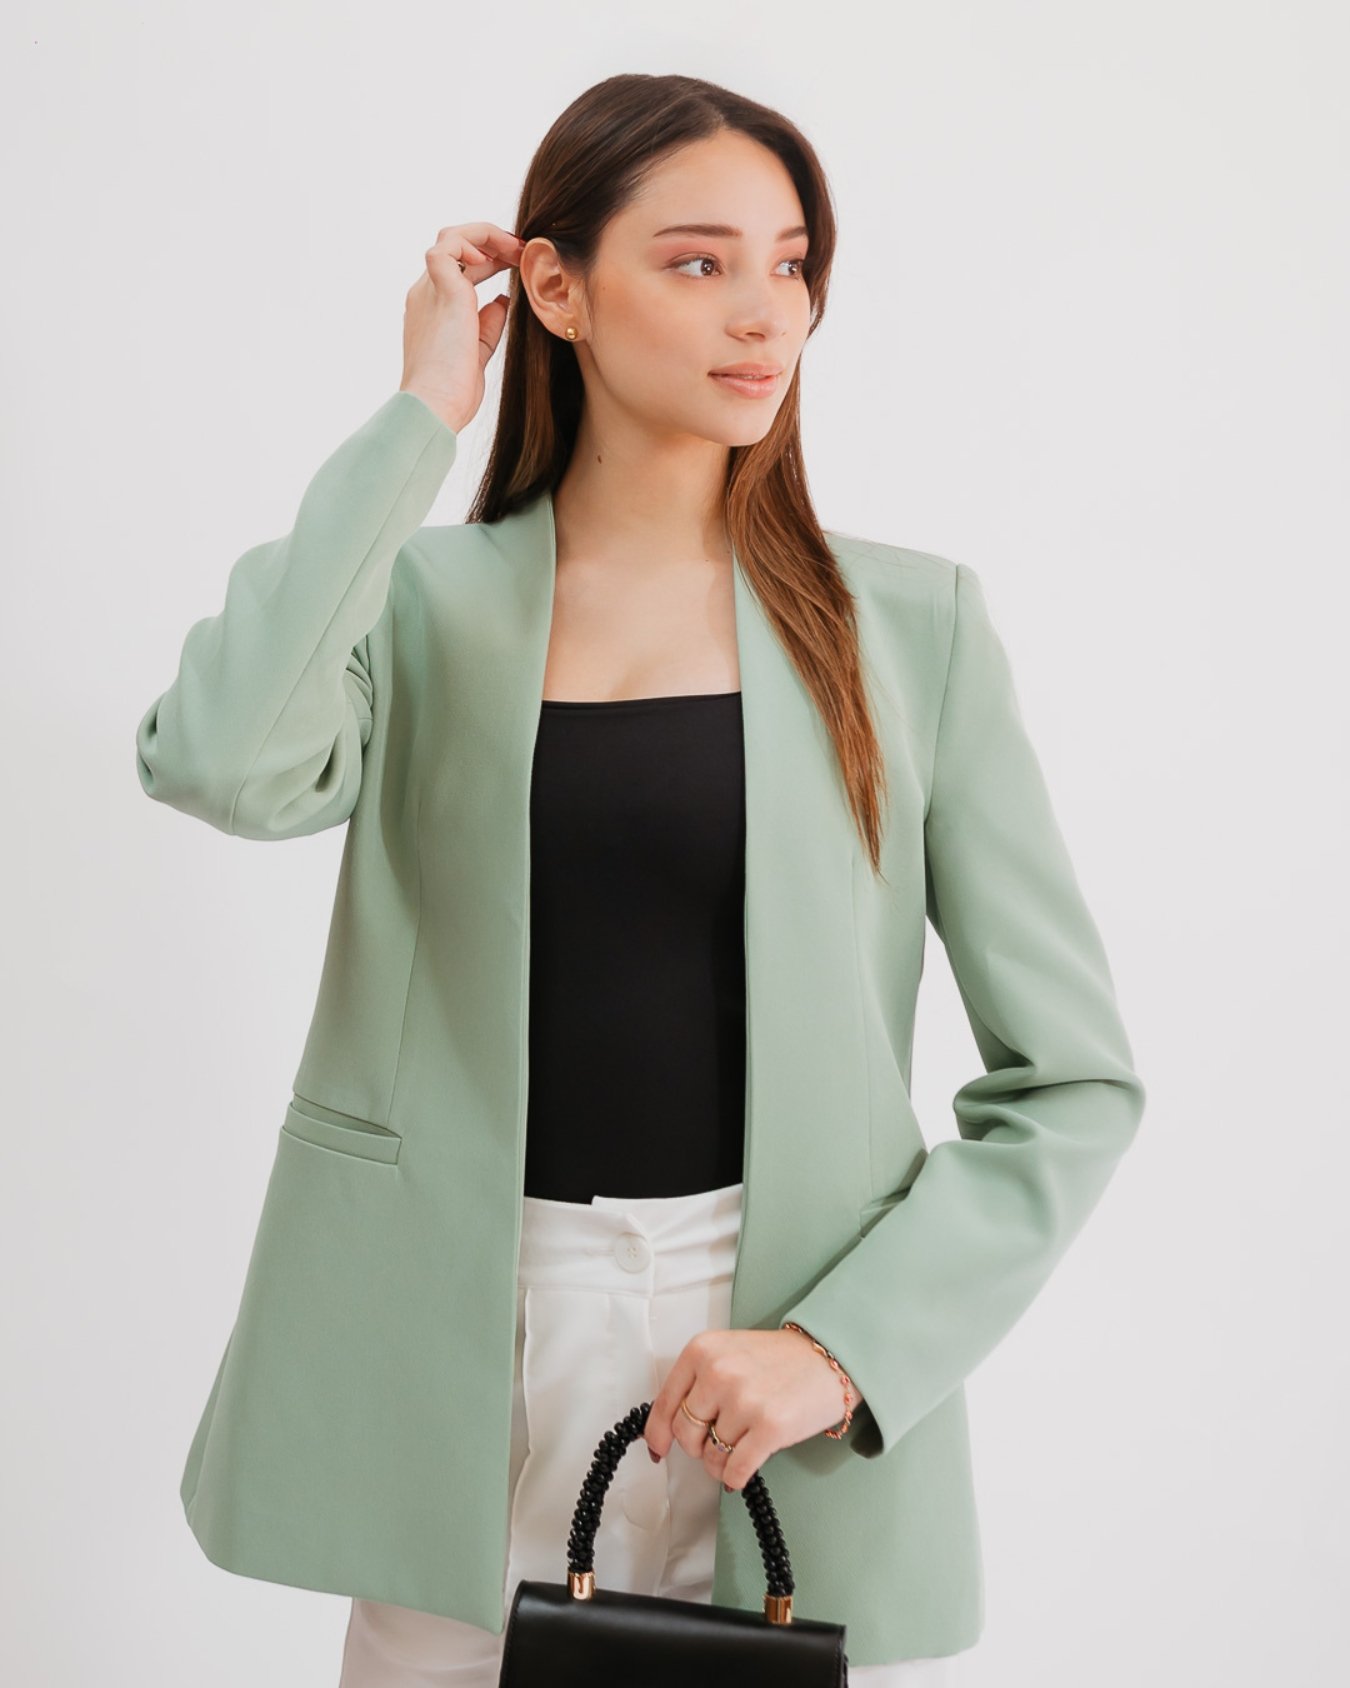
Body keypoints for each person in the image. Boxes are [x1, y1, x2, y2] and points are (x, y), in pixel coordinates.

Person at [135, 73, 1145, 1687]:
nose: (764, 313)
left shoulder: (910, 630)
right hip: (457, 1347)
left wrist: (840, 1349)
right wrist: (421, 412)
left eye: (790, 263)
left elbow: (1073, 1082)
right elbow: (220, 757)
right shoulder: (419, 605)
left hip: (772, 1365)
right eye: (697, 262)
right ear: (554, 288)